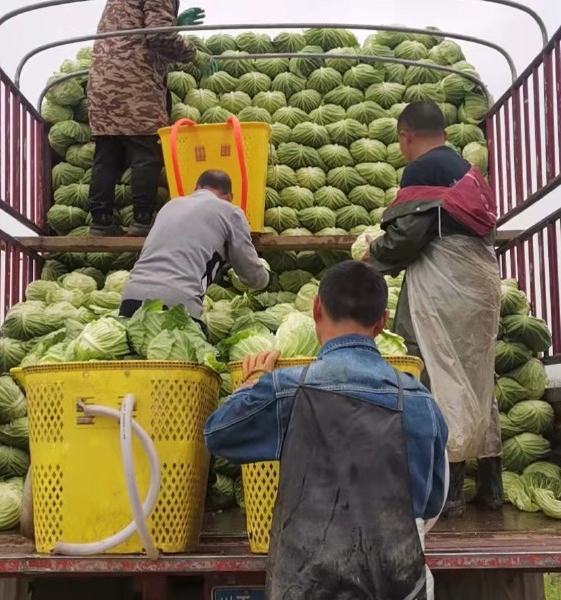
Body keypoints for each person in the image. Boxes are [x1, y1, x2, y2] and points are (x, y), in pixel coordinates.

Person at [205, 260, 448, 600]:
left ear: (316, 307)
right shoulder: (422, 403)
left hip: (305, 589)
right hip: (397, 589)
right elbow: (432, 502)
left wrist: (251, 384)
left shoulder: (287, 390)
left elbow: (219, 434)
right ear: (382, 321)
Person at [364, 100, 502, 518]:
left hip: (448, 284)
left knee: (443, 377)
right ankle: (492, 486)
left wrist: (370, 258)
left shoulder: (422, 169)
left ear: (405, 136)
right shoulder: (466, 170)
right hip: (480, 281)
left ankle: (453, 490)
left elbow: (407, 236)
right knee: (477, 379)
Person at [87, 0, 214, 237]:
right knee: (146, 152)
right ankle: (142, 221)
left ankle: (100, 222)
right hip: (135, 82)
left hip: (102, 80)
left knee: (106, 155)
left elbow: (135, 27)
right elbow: (158, 35)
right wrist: (193, 55)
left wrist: (174, 23)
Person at [119, 170, 275, 324]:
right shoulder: (231, 212)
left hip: (131, 297)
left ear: (196, 188)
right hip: (177, 304)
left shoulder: (170, 206)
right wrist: (266, 280)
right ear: (229, 197)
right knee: (185, 349)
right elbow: (248, 271)